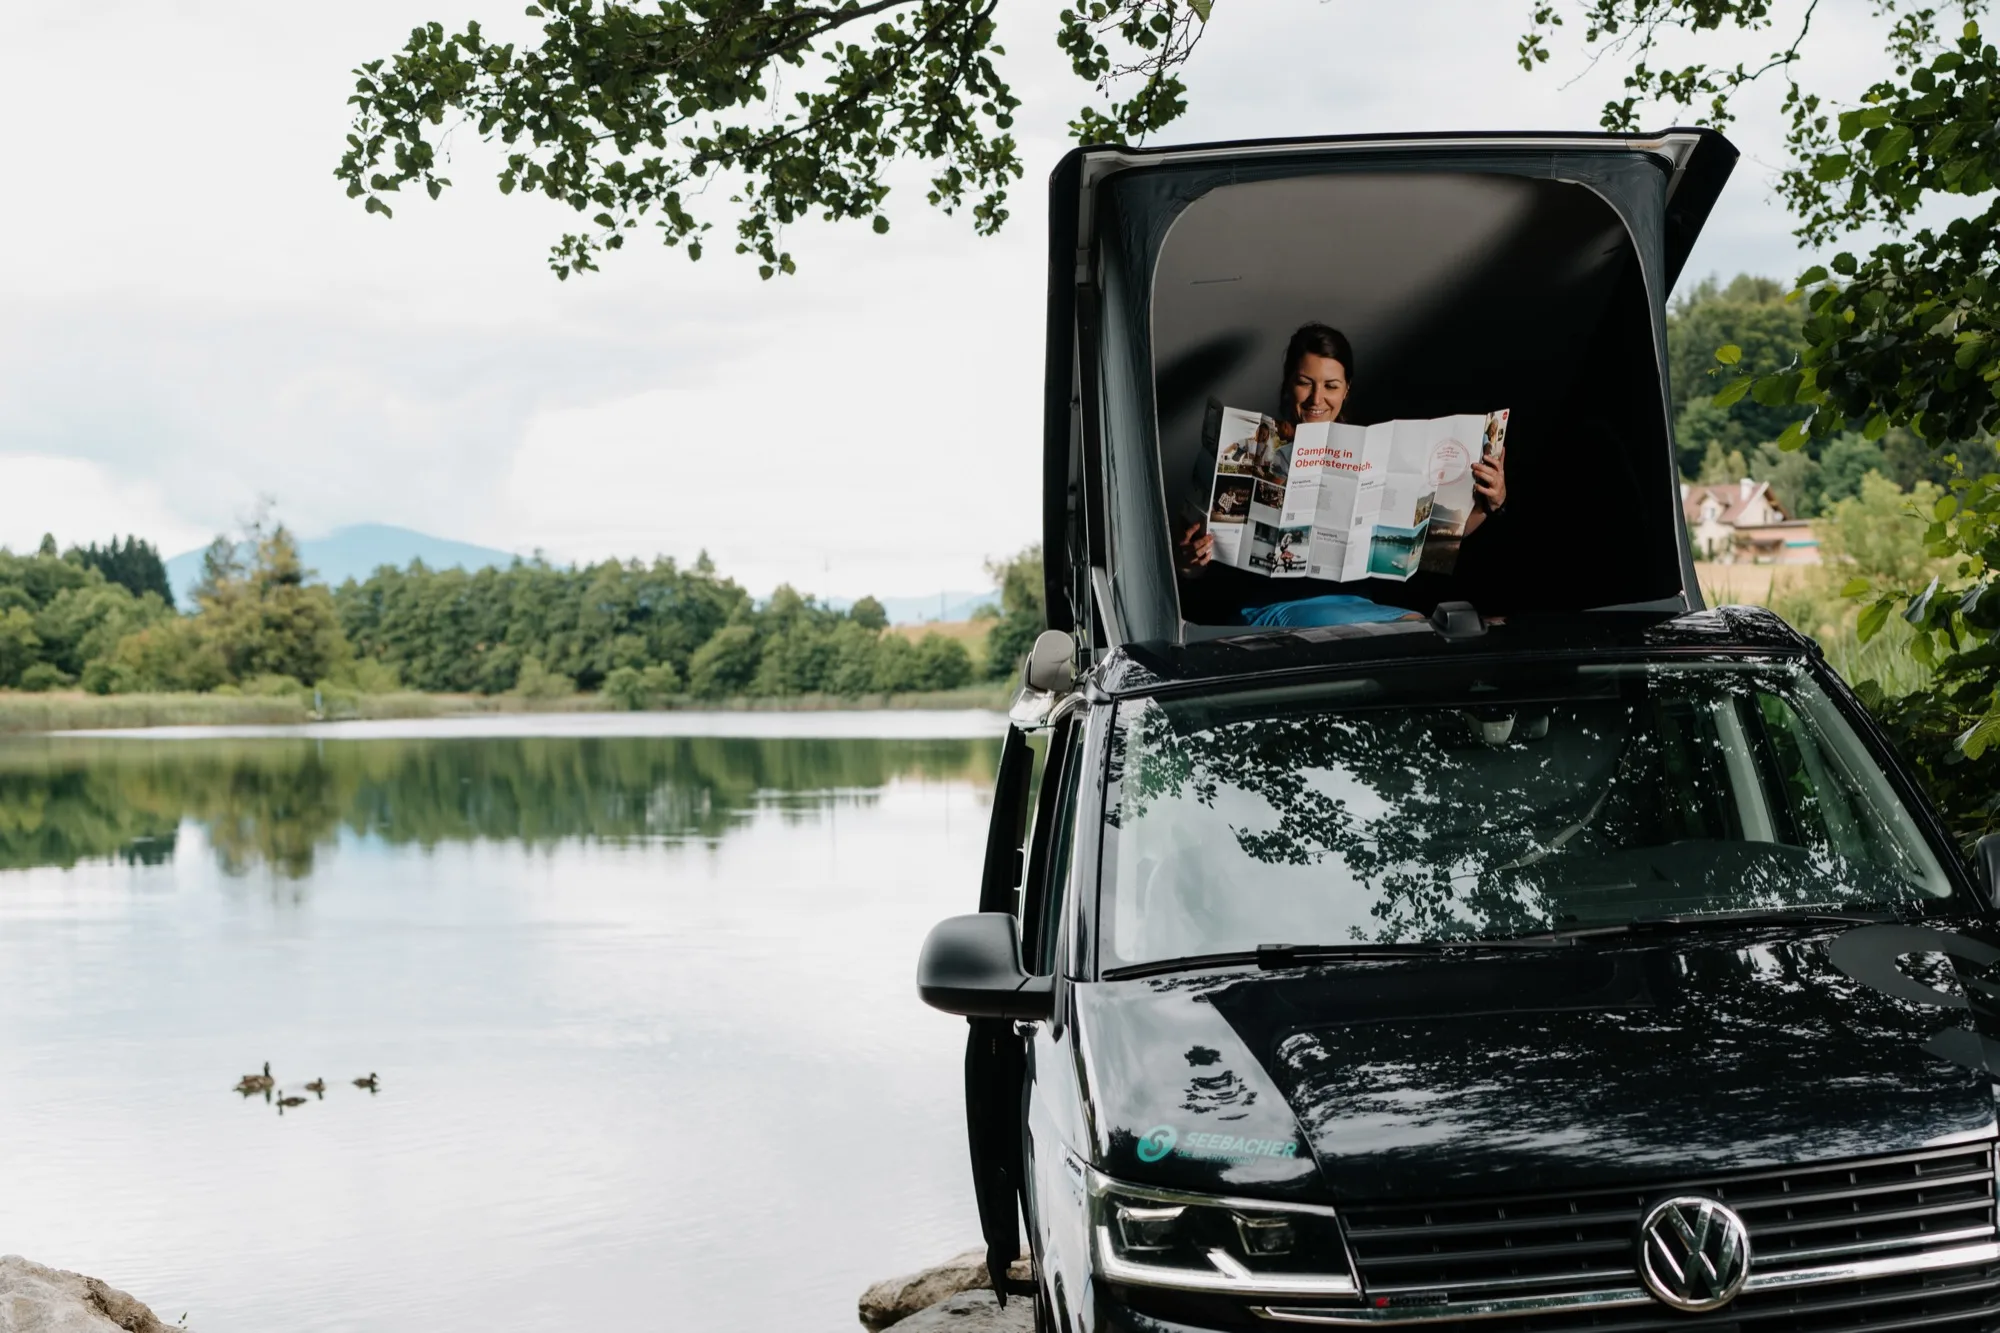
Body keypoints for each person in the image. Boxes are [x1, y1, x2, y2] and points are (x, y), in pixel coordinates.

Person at [1176, 323, 1507, 627]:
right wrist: (1192, 562)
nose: (1317, 398)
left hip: (1357, 606)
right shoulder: (1249, 451)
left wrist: (1490, 503)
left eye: (1331, 386)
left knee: (1443, 626)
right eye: (1305, 383)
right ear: (1288, 384)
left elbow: (1433, 538)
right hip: (1274, 610)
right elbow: (1194, 564)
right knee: (1417, 629)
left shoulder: (1374, 456)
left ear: (1346, 390)